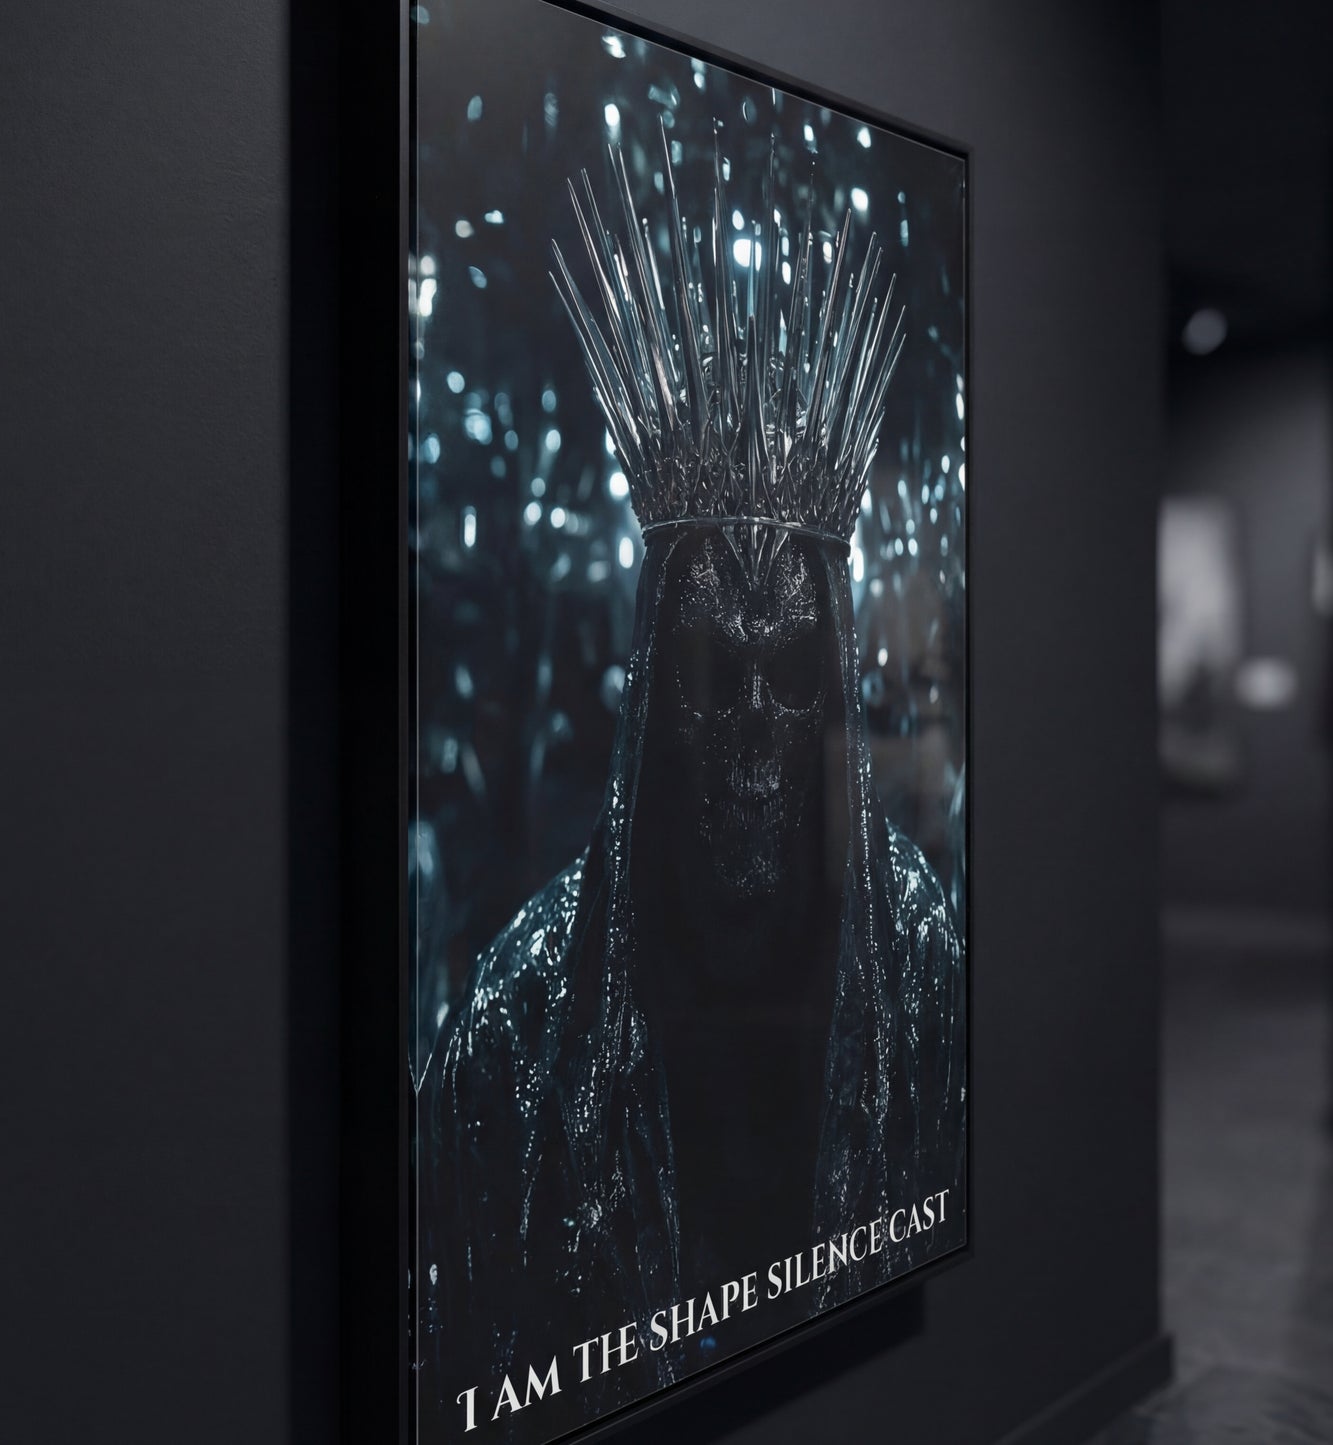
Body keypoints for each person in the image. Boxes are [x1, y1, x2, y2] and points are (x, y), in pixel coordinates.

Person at [416, 136, 965, 1442]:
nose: (758, 745)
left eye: (792, 680)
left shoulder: (925, 954)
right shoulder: (517, 1023)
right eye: (719, 679)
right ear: (655, 697)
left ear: (832, 692)